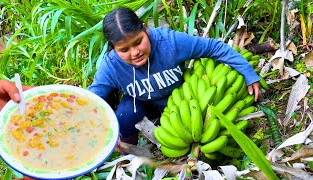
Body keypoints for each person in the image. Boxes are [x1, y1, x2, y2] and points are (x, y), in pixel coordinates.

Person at [87, 7, 260, 145]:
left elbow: (213, 47)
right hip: (142, 103)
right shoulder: (111, 66)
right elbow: (92, 100)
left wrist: (247, 72)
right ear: (114, 48)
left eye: (138, 42)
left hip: (182, 100)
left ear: (145, 30)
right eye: (124, 50)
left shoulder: (169, 42)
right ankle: (129, 156)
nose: (135, 53)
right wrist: (106, 134)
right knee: (124, 115)